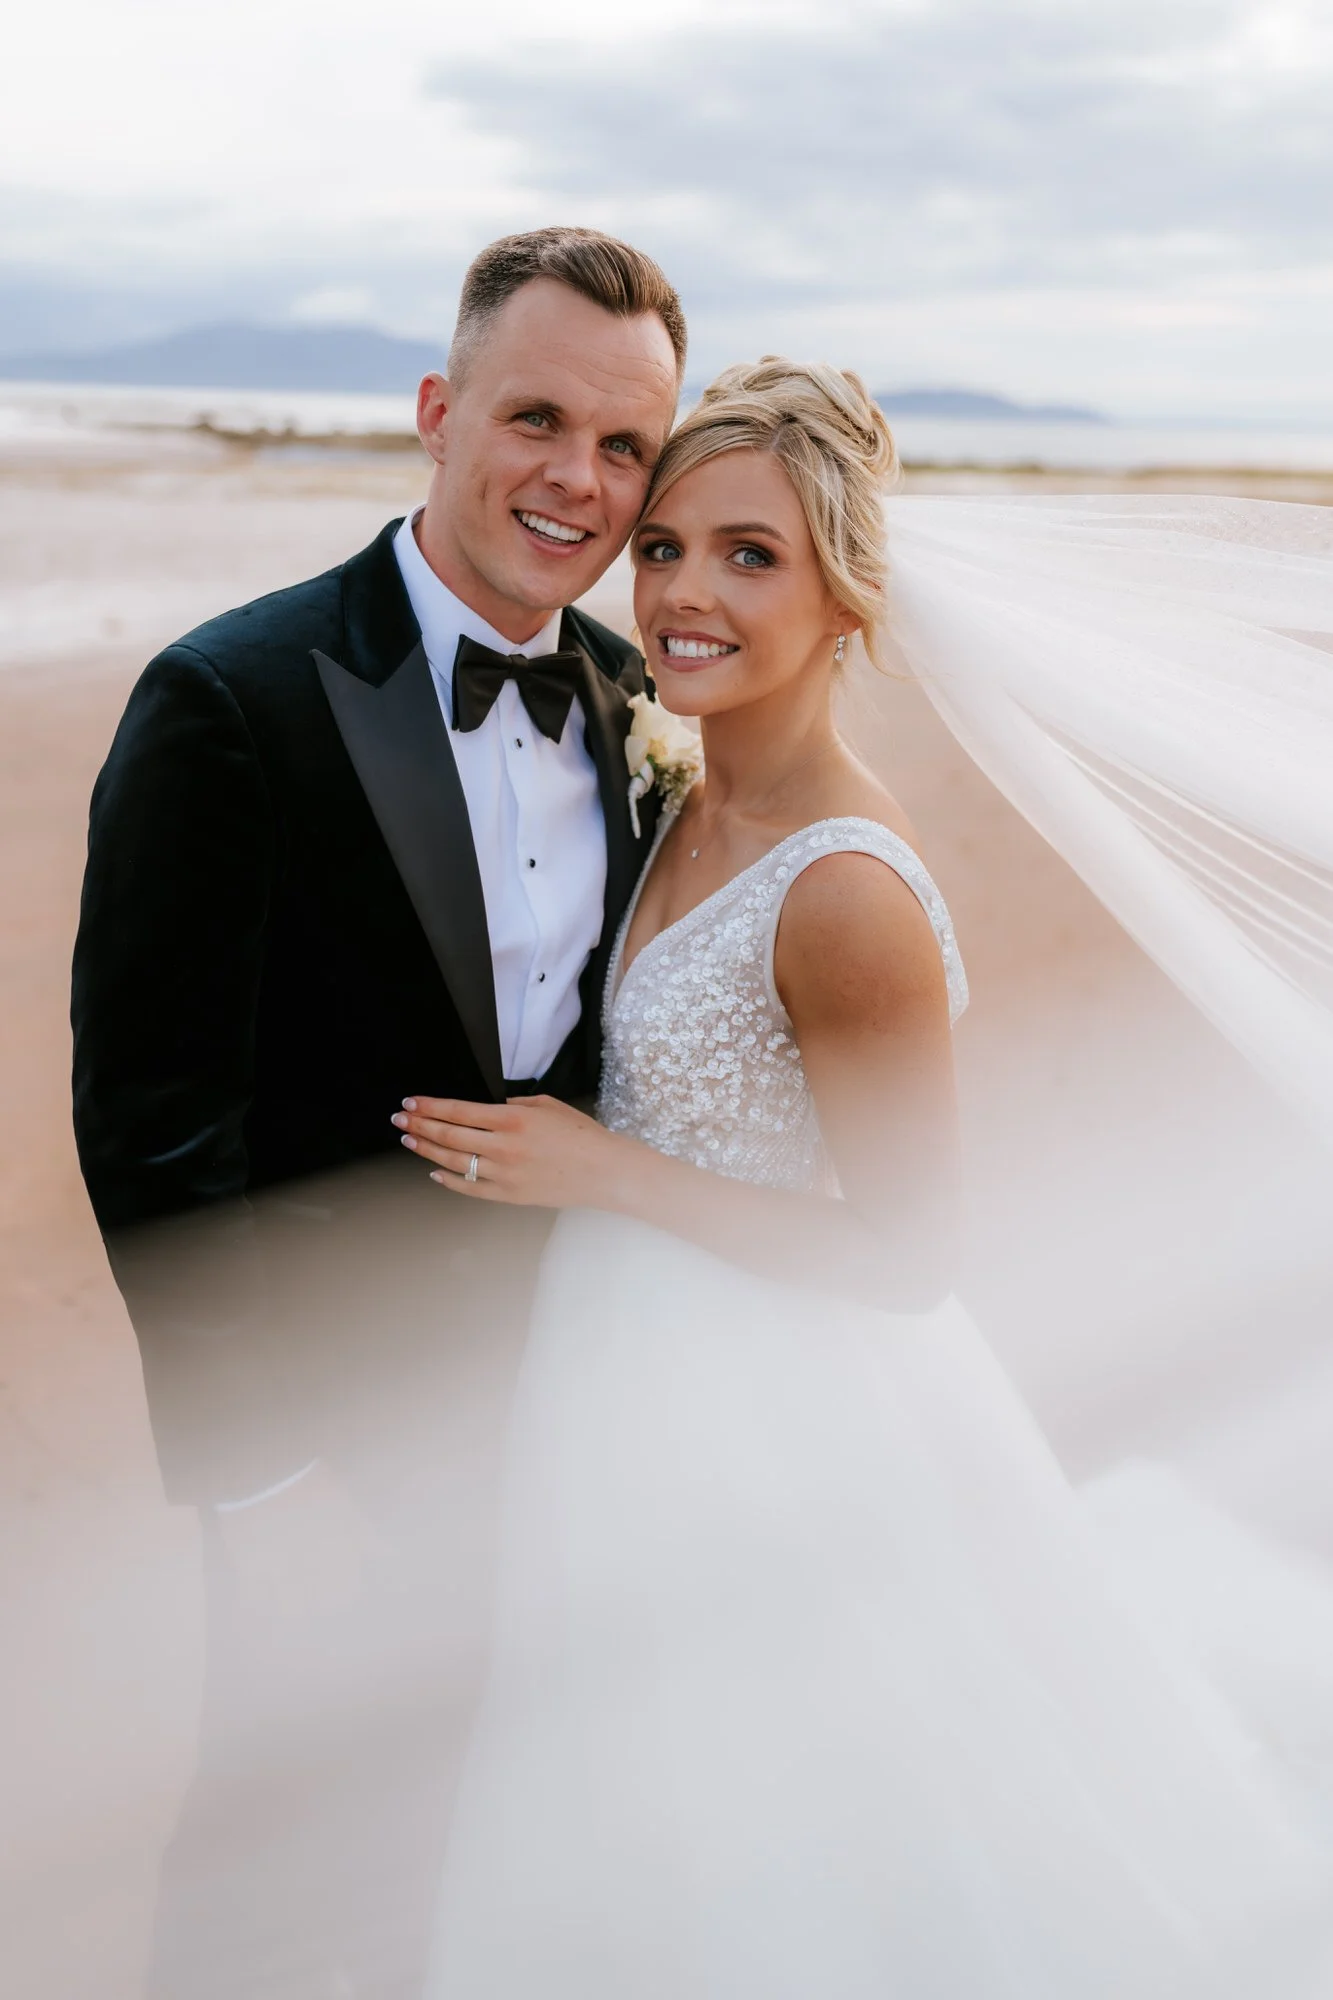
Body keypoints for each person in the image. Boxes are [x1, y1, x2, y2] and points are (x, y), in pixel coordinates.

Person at [393, 360, 1333, 1997]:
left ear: (847, 592)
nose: (684, 591)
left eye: (751, 555)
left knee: (799, 1804)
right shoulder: (677, 790)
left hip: (782, 1417)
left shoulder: (845, 889)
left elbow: (912, 1255)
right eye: (668, 543)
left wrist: (607, 1174)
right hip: (615, 1386)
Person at [70, 226, 685, 1998]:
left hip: (577, 1407)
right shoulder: (231, 700)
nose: (576, 478)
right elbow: (155, 1132)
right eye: (535, 417)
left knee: (505, 1830)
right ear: (438, 410)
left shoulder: (644, 711)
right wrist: (265, 1487)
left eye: (624, 444)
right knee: (282, 1851)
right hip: (326, 1439)